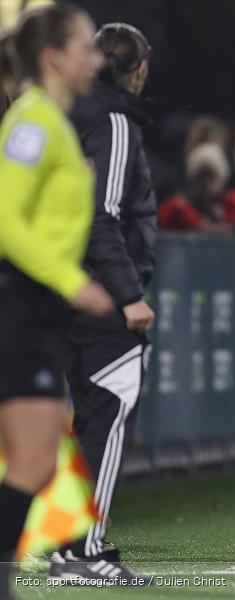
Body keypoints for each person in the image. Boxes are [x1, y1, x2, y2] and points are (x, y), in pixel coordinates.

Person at [0, 5, 115, 597]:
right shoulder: (33, 123)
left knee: (36, 462)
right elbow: (5, 220)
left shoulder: (54, 123)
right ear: (52, 58)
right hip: (20, 304)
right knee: (31, 461)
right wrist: (73, 281)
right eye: (84, 48)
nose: (95, 60)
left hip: (38, 310)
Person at [48, 22, 156, 584]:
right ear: (138, 69)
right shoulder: (112, 122)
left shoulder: (54, 113)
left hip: (44, 284)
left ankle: (65, 542)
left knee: (67, 417)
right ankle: (81, 551)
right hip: (94, 293)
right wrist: (128, 294)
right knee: (109, 410)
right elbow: (102, 213)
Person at [158, 141, 235, 232]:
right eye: (201, 176)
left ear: (222, 178)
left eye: (212, 176)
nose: (207, 182)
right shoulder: (179, 207)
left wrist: (233, 229)